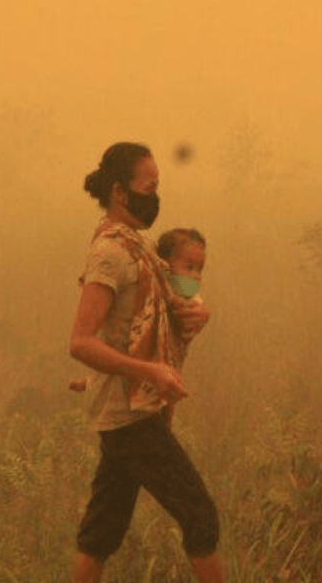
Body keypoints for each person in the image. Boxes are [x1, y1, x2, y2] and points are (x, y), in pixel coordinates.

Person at [70, 142, 225, 583]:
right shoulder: (110, 253)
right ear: (120, 192)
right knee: (200, 515)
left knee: (100, 534)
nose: (156, 195)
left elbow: (171, 296)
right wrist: (152, 372)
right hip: (131, 416)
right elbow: (80, 341)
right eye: (150, 185)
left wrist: (202, 311)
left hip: (125, 409)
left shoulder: (138, 246)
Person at [70, 226, 208, 427]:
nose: (196, 276)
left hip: (170, 362)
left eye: (199, 269)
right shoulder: (156, 286)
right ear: (166, 265)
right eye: (189, 267)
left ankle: (93, 382)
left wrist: (203, 314)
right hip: (150, 361)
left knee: (167, 404)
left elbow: (190, 309)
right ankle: (92, 382)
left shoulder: (187, 297)